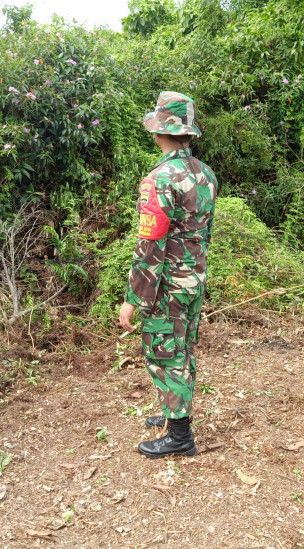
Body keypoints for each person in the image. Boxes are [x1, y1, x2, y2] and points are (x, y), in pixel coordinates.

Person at [119, 92, 218, 458]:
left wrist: (133, 299)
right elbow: (205, 234)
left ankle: (179, 436)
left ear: (161, 132)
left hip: (167, 286)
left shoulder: (159, 179)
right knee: (182, 348)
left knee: (166, 354)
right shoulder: (205, 174)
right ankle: (171, 410)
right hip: (194, 280)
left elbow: (150, 246)